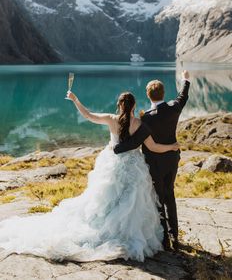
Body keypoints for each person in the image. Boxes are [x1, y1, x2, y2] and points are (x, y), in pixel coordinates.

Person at [0, 92, 179, 263]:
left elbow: (88, 115)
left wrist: (75, 100)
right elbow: (154, 147)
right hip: (134, 168)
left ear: (119, 105)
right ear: (134, 106)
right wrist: (171, 147)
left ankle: (103, 227)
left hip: (112, 164)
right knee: (132, 199)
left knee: (104, 200)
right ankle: (126, 233)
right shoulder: (139, 124)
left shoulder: (111, 119)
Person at [114, 71, 190, 251]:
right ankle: (175, 236)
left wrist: (117, 149)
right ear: (163, 93)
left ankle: (164, 239)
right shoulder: (174, 107)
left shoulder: (145, 118)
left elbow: (135, 141)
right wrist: (186, 79)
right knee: (170, 194)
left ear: (148, 95)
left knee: (158, 198)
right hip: (172, 159)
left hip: (153, 162)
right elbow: (183, 95)